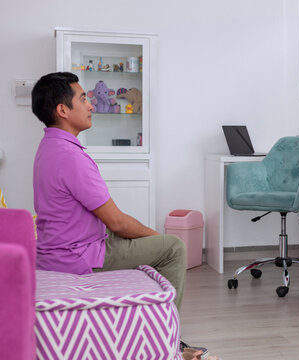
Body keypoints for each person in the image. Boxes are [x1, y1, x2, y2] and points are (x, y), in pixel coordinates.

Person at [31, 72, 208, 358]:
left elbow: (109, 221)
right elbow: (118, 222)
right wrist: (158, 240)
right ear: (63, 110)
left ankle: (151, 324)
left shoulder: (48, 147)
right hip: (76, 255)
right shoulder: (71, 157)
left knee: (136, 234)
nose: (91, 105)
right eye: (84, 98)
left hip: (55, 249)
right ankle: (168, 341)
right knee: (173, 248)